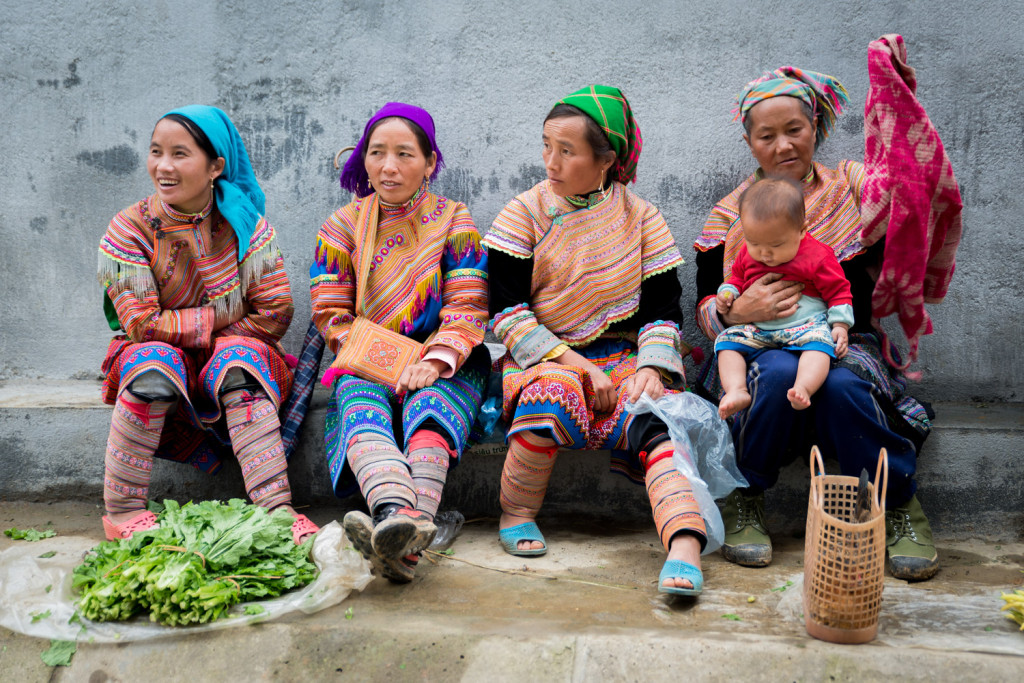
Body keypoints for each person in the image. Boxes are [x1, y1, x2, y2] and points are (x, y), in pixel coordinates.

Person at [694, 67, 939, 580]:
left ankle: (896, 502)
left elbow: (910, 196)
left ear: (816, 126)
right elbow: (705, 305)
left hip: (841, 338)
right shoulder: (729, 215)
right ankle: (746, 494)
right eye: (767, 136)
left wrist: (898, 111)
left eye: (795, 130)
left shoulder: (851, 189)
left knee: (841, 387)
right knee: (779, 377)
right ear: (749, 142)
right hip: (756, 344)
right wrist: (737, 312)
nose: (783, 145)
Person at [484, 85, 707, 596]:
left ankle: (684, 543)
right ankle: (516, 512)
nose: (550, 162)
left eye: (567, 151)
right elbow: (508, 313)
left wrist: (651, 368)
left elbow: (662, 309)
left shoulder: (642, 218)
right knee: (549, 399)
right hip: (544, 354)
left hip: (624, 354)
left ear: (606, 159)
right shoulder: (524, 213)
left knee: (656, 413)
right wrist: (579, 367)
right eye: (546, 146)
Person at [97, 105, 317, 544]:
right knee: (154, 369)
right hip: (154, 351)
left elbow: (274, 314)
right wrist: (222, 317)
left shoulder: (247, 227)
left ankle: (275, 509)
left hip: (235, 349)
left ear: (216, 166)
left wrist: (215, 342)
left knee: (239, 365)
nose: (163, 166)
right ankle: (122, 511)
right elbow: (141, 324)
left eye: (180, 154)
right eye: (156, 151)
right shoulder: (129, 229)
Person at [311, 103, 489, 583]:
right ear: (364, 159)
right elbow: (330, 312)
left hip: (447, 359)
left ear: (430, 162)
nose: (389, 167)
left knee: (429, 415)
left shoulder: (455, 220)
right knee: (362, 411)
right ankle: (400, 518)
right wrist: (389, 362)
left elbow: (468, 305)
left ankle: (395, 540)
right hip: (366, 359)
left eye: (405, 154)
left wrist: (432, 360)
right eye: (377, 153)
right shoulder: (342, 226)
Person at [716, 176, 853, 419]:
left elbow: (838, 291)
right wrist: (728, 293)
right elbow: (737, 277)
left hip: (806, 325)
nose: (764, 254)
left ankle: (803, 388)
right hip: (758, 328)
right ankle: (736, 390)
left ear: (801, 230)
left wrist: (840, 325)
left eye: (776, 245)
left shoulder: (817, 256)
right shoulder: (749, 253)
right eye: (754, 242)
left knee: (820, 348)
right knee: (726, 344)